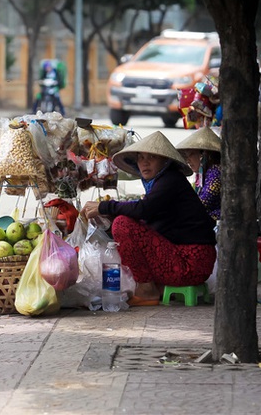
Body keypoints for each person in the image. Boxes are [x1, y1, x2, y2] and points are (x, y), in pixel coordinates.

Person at [80, 131, 217, 306]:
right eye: (141, 157)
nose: (144, 162)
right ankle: (154, 287)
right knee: (124, 223)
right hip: (189, 261)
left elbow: (143, 209)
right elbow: (148, 221)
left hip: (190, 264)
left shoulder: (171, 179)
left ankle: (146, 290)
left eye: (151, 157)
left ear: (165, 161)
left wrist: (104, 207)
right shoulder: (163, 182)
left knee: (123, 225)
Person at [176, 126, 222, 221]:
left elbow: (202, 203)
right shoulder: (206, 173)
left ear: (203, 155)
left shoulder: (215, 172)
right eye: (186, 156)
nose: (188, 160)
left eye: (191, 154)